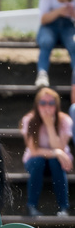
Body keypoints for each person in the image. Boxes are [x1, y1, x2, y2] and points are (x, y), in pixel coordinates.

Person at [20, 87, 73, 217]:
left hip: (58, 164)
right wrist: (56, 152)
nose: (47, 107)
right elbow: (34, 150)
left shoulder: (65, 120)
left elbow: (60, 147)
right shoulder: (29, 120)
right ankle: (31, 206)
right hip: (35, 163)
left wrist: (49, 125)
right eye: (43, 103)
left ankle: (64, 208)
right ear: (37, 105)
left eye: (51, 103)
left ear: (57, 105)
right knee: (38, 161)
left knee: (55, 161)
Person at [34, 0, 75, 90]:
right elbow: (43, 19)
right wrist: (60, 11)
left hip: (68, 26)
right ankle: (42, 74)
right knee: (46, 41)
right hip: (50, 25)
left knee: (74, 45)